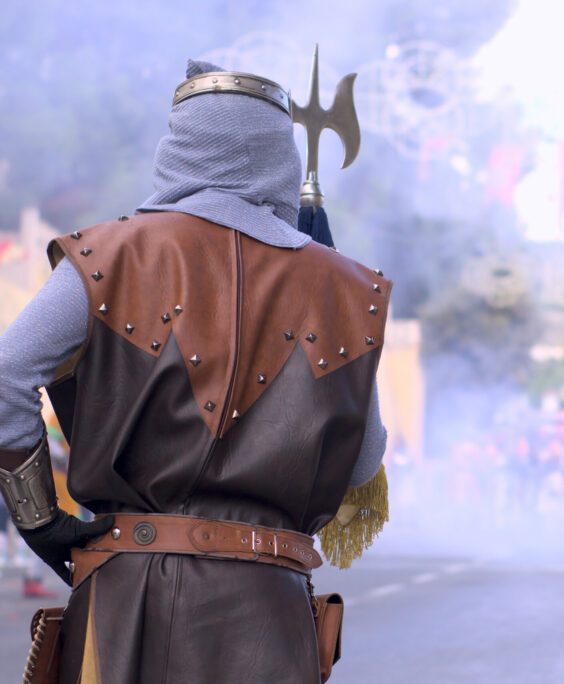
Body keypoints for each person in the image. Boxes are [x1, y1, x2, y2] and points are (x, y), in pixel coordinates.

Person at [0, 60, 389, 683]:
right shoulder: (347, 288)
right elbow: (364, 465)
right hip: (271, 610)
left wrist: (42, 523)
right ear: (280, 158)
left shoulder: (107, 256)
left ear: (177, 148)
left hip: (126, 597)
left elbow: (3, 378)